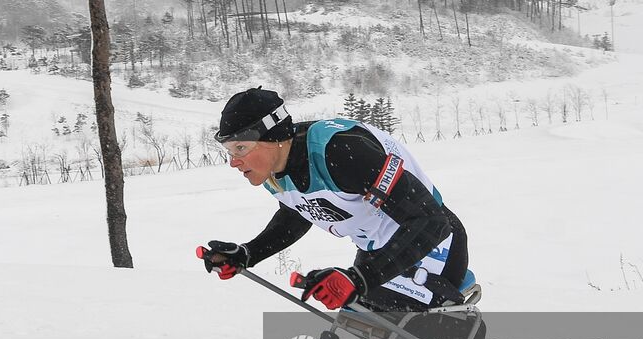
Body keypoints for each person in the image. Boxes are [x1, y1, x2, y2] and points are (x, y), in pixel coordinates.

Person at [197, 86, 477, 314]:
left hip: (434, 244)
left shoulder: (339, 151)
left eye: (241, 147)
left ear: (274, 138)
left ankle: (457, 330)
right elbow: (299, 213)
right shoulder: (274, 170)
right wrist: (249, 253)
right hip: (379, 249)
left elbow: (430, 221)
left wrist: (360, 278)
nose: (234, 161)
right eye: (229, 150)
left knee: (371, 330)